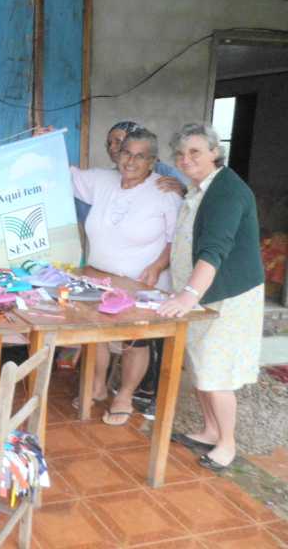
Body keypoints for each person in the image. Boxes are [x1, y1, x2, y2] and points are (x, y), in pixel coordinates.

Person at [157, 123, 264, 471]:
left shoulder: (226, 191)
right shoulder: (201, 188)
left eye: (195, 151)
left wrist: (188, 295)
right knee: (201, 366)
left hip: (226, 297)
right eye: (179, 154)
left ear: (215, 152)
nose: (185, 159)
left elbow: (216, 248)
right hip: (203, 295)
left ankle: (227, 444)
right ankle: (210, 430)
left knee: (217, 373)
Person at [69, 129, 182, 426]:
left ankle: (124, 397)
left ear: (153, 160)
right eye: (126, 153)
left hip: (140, 282)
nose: (131, 161)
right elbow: (64, 174)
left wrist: (158, 266)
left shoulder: (165, 192)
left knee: (135, 341)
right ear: (118, 155)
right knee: (95, 335)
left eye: (140, 156)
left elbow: (176, 239)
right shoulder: (101, 180)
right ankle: (97, 386)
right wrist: (46, 139)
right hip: (98, 277)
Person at [75, 121, 186, 224]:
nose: (112, 146)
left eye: (118, 141)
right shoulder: (109, 178)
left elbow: (184, 209)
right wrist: (74, 185)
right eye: (109, 143)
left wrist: (184, 191)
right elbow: (95, 216)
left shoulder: (163, 171)